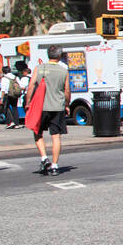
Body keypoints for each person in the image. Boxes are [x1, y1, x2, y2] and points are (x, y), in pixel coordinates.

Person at [27, 45, 71, 175]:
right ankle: (55, 165)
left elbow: (30, 87)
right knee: (56, 136)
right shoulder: (64, 71)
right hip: (57, 107)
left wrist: (28, 102)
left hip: (41, 107)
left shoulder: (39, 69)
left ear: (48, 55)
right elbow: (67, 90)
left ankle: (44, 157)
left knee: (37, 132)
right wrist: (67, 104)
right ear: (59, 56)